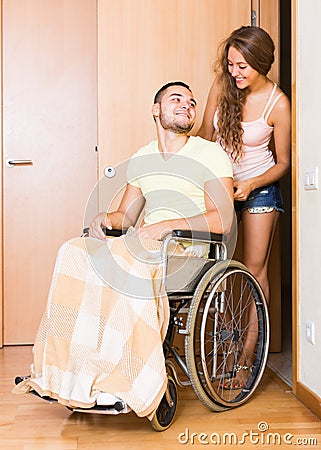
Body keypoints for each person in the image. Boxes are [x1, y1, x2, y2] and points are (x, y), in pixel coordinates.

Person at [14, 81, 234, 418]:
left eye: (192, 102)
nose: (187, 105)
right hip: (146, 245)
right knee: (74, 252)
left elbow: (221, 221)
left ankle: (130, 379)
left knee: (128, 260)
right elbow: (126, 217)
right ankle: (71, 375)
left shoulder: (209, 154)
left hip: (188, 253)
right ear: (155, 109)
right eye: (176, 99)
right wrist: (106, 217)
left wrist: (165, 227)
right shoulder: (144, 157)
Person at [198, 26, 291, 388]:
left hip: (258, 192)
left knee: (255, 271)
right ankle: (219, 348)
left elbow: (282, 163)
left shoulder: (277, 103)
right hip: (219, 189)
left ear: (262, 63)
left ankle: (246, 360)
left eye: (243, 66)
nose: (235, 72)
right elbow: (206, 136)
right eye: (231, 64)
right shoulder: (223, 88)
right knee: (213, 269)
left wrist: (250, 183)